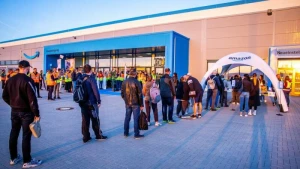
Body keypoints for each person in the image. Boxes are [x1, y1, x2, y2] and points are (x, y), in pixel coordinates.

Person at [2, 60, 42, 168]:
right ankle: (27, 161)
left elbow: (4, 96)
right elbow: (32, 100)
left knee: (13, 133)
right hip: (26, 113)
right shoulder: (28, 80)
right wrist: (36, 113)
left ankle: (13, 158)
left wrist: (13, 104)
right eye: (28, 68)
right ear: (27, 68)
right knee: (26, 136)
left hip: (14, 111)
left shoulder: (10, 80)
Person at [78, 64, 107, 143]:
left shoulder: (80, 78)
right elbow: (95, 90)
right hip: (91, 102)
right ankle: (98, 135)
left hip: (82, 102)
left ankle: (86, 136)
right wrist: (99, 100)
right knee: (95, 118)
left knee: (85, 120)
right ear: (90, 70)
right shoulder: (91, 78)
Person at [121, 69, 144, 139]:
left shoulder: (124, 82)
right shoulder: (136, 82)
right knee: (136, 119)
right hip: (135, 103)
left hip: (128, 103)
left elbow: (122, 93)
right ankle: (136, 134)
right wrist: (141, 105)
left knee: (127, 118)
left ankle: (125, 133)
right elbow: (140, 94)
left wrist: (126, 100)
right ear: (135, 74)